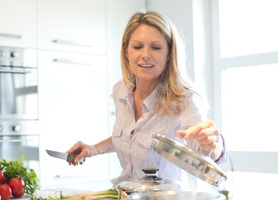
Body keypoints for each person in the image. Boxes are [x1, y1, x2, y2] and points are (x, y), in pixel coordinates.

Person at [67, 11, 227, 187]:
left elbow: (204, 153)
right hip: (125, 199)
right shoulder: (120, 90)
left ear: (168, 54)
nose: (145, 55)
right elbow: (129, 137)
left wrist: (213, 143)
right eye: (137, 47)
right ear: (126, 51)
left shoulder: (183, 99)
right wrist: (93, 149)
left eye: (156, 47)